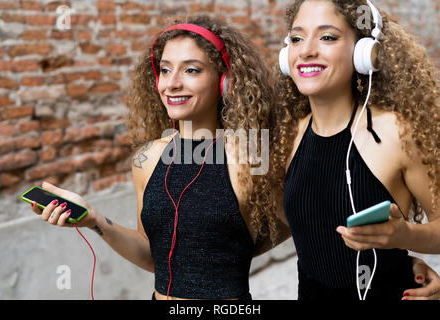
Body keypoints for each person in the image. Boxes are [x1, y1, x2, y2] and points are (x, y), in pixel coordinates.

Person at [29, 15, 289, 300]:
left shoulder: (248, 156)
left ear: (225, 81)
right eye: (165, 70)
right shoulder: (148, 158)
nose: (172, 84)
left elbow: (297, 224)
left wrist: (234, 256)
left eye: (191, 70)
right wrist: (93, 219)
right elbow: (152, 255)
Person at [272, 0, 440, 300]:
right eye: (297, 38)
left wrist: (405, 238)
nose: (307, 50)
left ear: (364, 52)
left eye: (327, 37)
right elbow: (301, 220)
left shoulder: (396, 133)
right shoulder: (287, 136)